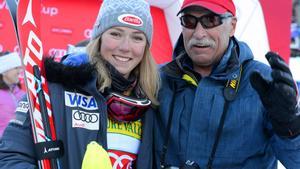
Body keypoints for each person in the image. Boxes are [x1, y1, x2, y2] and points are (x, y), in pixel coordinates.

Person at [0, 0, 159, 168]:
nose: (125, 47)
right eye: (116, 34)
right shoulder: (54, 89)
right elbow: (10, 157)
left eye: (137, 38)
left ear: (146, 47)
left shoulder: (152, 100)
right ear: (99, 38)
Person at [153, 0, 300, 168]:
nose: (199, 33)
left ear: (232, 26)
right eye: (189, 21)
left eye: (210, 20)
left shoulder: (262, 81)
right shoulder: (158, 80)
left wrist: (290, 126)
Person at [0, 52, 24, 137]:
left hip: (20, 144)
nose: (20, 71)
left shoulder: (23, 94)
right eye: (16, 68)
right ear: (4, 71)